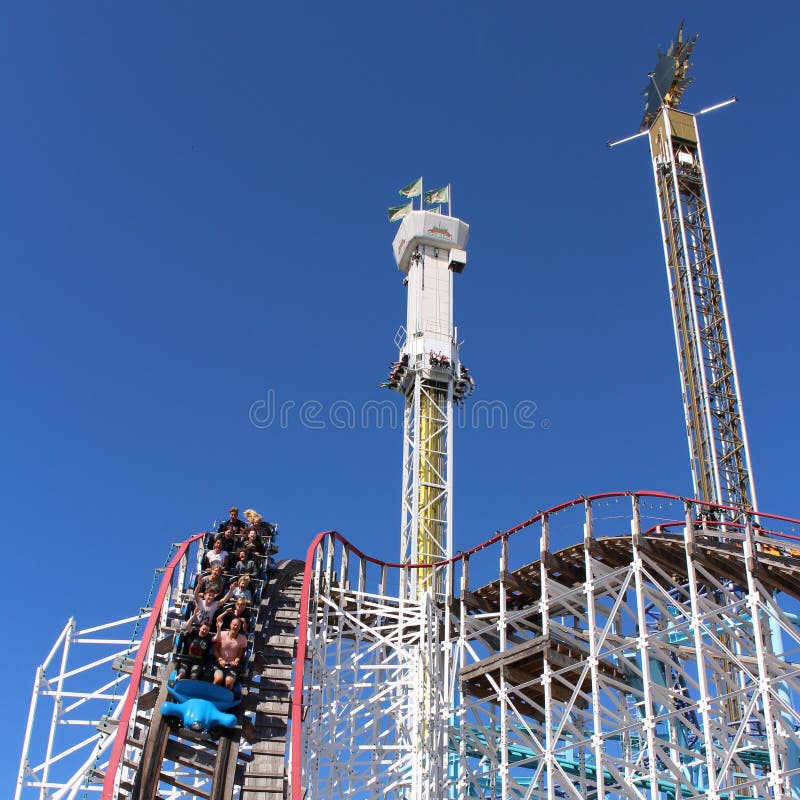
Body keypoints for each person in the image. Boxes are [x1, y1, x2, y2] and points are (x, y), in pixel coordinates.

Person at [212, 616, 248, 689]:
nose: (236, 627)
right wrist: (220, 659)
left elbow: (240, 654)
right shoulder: (222, 634)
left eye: (238, 626)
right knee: (218, 679)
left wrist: (235, 661)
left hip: (232, 666)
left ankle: (227, 694)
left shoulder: (243, 639)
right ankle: (212, 692)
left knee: (229, 682)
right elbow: (215, 649)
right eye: (234, 625)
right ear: (230, 625)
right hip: (220, 664)